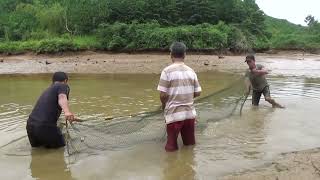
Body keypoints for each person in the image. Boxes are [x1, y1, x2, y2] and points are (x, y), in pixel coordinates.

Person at [157, 42, 202, 152]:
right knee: (189, 145)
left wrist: (164, 106)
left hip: (174, 115)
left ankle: (172, 166)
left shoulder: (166, 71)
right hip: (189, 115)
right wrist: (186, 97)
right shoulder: (191, 71)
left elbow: (162, 95)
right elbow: (198, 92)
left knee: (171, 148)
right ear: (184, 55)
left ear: (171, 54)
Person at [26, 72, 76, 148]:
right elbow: (62, 97)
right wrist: (67, 112)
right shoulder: (62, 86)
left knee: (38, 151)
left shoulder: (48, 89)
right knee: (60, 149)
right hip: (45, 126)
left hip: (30, 126)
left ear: (53, 81)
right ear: (65, 80)